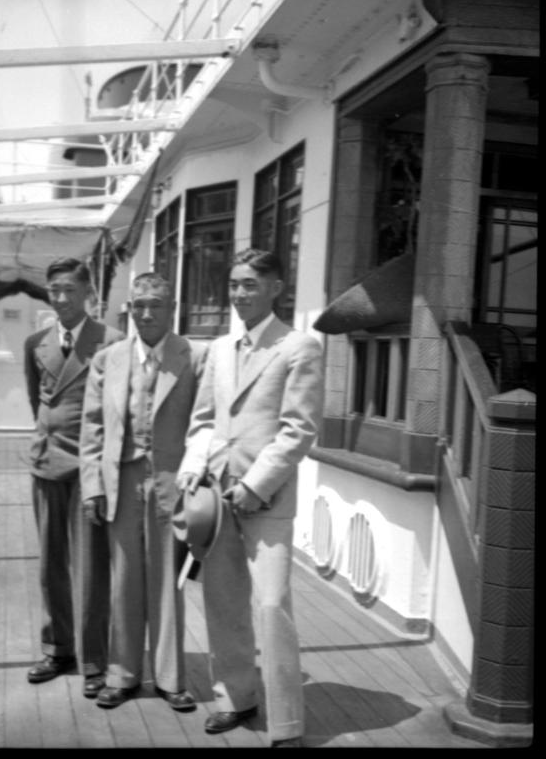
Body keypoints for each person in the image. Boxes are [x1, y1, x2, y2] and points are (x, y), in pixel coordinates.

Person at [177, 248, 324, 748]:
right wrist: (193, 471)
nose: (239, 293)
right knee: (223, 604)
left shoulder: (299, 347)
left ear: (276, 288)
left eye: (250, 284)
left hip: (267, 500)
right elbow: (203, 422)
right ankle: (235, 699)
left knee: (271, 604)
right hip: (217, 499)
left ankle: (286, 723)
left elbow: (298, 430)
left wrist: (255, 485)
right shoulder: (218, 349)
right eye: (235, 283)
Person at [80, 272, 207, 710]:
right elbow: (92, 428)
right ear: (129, 309)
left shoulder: (193, 357)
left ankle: (171, 679)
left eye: (155, 304)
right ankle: (123, 674)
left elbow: (205, 425)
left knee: (168, 584)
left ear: (171, 308)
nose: (146, 313)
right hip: (122, 481)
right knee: (124, 582)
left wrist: (197, 480)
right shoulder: (108, 359)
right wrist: (92, 487)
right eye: (139, 305)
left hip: (172, 485)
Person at [24, 257, 124, 698]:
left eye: (69, 289)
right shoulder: (36, 342)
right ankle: (57, 647)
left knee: (90, 571)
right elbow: (39, 403)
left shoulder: (113, 342)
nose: (60, 298)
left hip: (90, 470)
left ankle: (94, 660)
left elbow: (116, 413)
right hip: (47, 464)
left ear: (89, 295)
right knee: (51, 566)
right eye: (54, 290)